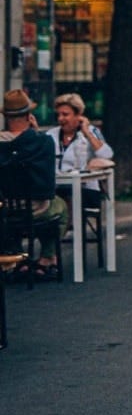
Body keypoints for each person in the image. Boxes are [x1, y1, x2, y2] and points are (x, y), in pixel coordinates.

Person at [0, 90, 68, 281]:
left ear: (6, 116)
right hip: (36, 208)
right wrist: (35, 132)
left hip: (5, 209)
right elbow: (48, 184)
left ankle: (16, 256)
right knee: (60, 206)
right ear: (29, 115)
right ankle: (47, 258)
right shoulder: (43, 142)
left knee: (9, 218)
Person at [47, 93, 113, 196]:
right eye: (58, 115)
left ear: (78, 116)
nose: (60, 118)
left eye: (65, 114)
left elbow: (107, 155)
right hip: (57, 190)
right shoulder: (51, 134)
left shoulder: (91, 132)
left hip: (85, 189)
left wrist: (87, 133)